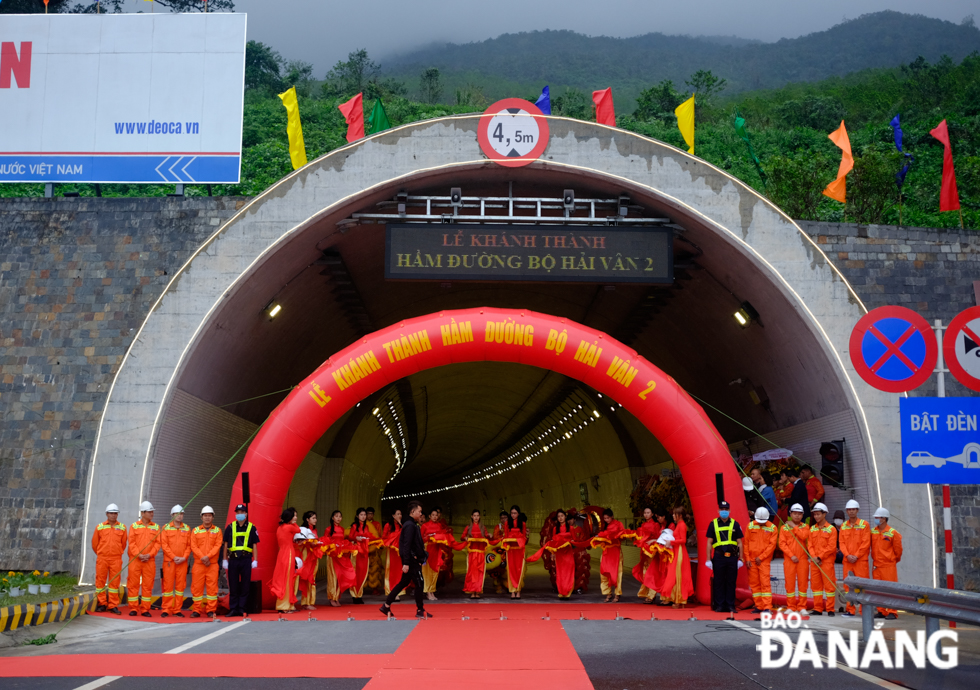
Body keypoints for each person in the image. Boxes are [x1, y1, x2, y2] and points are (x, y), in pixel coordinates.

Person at [380, 500, 432, 620]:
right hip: (412, 561)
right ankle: (420, 610)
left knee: (404, 582)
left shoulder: (411, 524)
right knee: (419, 583)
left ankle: (386, 605)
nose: (420, 514)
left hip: (412, 559)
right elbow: (406, 545)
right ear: (412, 511)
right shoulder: (409, 525)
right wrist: (406, 562)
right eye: (419, 511)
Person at [529, 508, 581, 599]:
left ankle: (567, 592)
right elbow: (553, 541)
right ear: (557, 519)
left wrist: (569, 543)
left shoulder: (571, 528)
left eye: (562, 516)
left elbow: (574, 541)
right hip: (559, 554)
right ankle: (561, 592)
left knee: (568, 573)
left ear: (565, 517)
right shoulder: (554, 529)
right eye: (558, 517)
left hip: (568, 553)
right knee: (560, 573)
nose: (560, 518)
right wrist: (553, 551)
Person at [706, 500, 744, 619]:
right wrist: (708, 559)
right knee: (719, 581)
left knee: (731, 581)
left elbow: (740, 543)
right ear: (718, 511)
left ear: (729, 511)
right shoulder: (713, 524)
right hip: (719, 556)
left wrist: (741, 559)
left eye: (726, 510)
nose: (724, 512)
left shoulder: (735, 524)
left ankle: (730, 605)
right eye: (722, 510)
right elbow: (709, 543)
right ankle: (720, 605)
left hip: (732, 557)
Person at [222, 503, 259, 617]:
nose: (240, 514)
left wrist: (255, 560)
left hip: (246, 559)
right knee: (233, 585)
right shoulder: (230, 527)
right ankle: (233, 609)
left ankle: (242, 608)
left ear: (246, 514)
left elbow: (254, 545)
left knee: (245, 585)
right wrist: (224, 560)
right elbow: (226, 545)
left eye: (242, 512)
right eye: (238, 513)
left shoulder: (251, 527)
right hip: (233, 560)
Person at [92, 503, 127, 614]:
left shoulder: (122, 527)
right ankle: (102, 604)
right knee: (100, 582)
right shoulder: (100, 527)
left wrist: (117, 553)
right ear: (107, 514)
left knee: (114, 583)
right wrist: (101, 553)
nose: (113, 515)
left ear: (117, 515)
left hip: (116, 559)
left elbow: (123, 544)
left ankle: (113, 605)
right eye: (111, 513)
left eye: (115, 513)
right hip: (102, 558)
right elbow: (94, 544)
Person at [127, 501, 160, 617]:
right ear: (143, 513)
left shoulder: (156, 527)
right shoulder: (134, 526)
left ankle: (145, 609)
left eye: (152, 512)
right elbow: (131, 543)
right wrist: (138, 555)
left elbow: (157, 544)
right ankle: (134, 608)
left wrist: (150, 555)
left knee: (147, 585)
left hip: (149, 561)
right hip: (136, 560)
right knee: (133, 584)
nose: (152, 514)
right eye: (149, 512)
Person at [190, 505, 223, 618]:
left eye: (209, 515)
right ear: (201, 517)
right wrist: (203, 558)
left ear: (213, 517)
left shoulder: (217, 531)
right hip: (199, 564)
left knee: (212, 589)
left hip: (212, 564)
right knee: (197, 588)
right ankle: (196, 610)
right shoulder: (195, 531)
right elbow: (193, 546)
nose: (207, 518)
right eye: (205, 516)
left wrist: (207, 557)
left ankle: (211, 610)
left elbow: (218, 545)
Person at [840, 499, 871, 617]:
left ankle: (864, 611)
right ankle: (850, 610)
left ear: (857, 510)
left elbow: (865, 542)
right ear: (847, 511)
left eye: (853, 509)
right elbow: (841, 543)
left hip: (860, 561)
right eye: (849, 510)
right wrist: (847, 555)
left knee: (862, 585)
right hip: (848, 561)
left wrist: (856, 555)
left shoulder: (864, 524)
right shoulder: (844, 525)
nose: (851, 512)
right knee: (848, 586)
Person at [871, 507, 903, 620]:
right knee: (878, 589)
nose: (875, 519)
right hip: (876, 565)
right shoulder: (873, 531)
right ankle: (881, 610)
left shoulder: (893, 533)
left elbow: (898, 551)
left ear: (884, 519)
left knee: (890, 589)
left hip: (888, 565)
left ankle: (892, 611)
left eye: (877, 517)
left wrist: (892, 560)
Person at [659, 505, 694, 607]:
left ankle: (679, 600)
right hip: (677, 550)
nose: (673, 515)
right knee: (676, 575)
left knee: (678, 575)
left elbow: (683, 540)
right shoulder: (679, 524)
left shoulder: (682, 525)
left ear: (680, 515)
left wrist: (671, 542)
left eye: (675, 514)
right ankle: (678, 599)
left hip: (680, 552)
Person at [744, 507, 777, 614]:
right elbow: (746, 543)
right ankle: (759, 606)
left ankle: (767, 607)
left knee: (765, 583)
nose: (761, 523)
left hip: (764, 561)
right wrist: (747, 558)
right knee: (754, 584)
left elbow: (772, 546)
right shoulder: (750, 525)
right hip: (752, 560)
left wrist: (761, 557)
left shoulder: (772, 528)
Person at [160, 505, 191, 618]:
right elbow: (164, 545)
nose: (179, 516)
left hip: (182, 562)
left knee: (180, 587)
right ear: (172, 515)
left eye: (181, 514)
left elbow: (189, 545)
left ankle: (177, 609)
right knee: (168, 586)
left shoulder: (187, 528)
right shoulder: (166, 528)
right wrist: (174, 557)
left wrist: (184, 557)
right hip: (169, 562)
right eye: (177, 514)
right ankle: (166, 609)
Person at [778, 503, 810, 613]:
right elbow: (782, 544)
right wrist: (791, 556)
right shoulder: (783, 528)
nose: (797, 516)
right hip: (789, 559)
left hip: (802, 559)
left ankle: (802, 607)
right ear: (790, 514)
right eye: (794, 513)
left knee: (803, 584)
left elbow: (803, 536)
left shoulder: (805, 527)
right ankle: (791, 606)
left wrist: (794, 526)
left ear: (802, 515)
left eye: (799, 514)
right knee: (789, 584)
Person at [270, 507, 302, 613]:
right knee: (287, 579)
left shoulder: (280, 527)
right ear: (289, 517)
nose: (296, 518)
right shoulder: (289, 527)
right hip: (288, 554)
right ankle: (285, 606)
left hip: (282, 554)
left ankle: (286, 605)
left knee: (283, 579)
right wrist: (294, 522)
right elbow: (298, 530)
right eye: (295, 515)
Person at [322, 510, 356, 607]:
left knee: (339, 576)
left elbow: (344, 541)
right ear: (332, 518)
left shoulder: (342, 529)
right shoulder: (328, 529)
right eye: (336, 516)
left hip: (340, 556)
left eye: (340, 516)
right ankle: (332, 598)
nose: (338, 518)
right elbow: (325, 541)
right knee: (332, 577)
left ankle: (337, 597)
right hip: (332, 556)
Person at [808, 502, 837, 616]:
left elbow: (831, 547)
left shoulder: (831, 529)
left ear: (824, 514)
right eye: (815, 515)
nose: (816, 517)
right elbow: (809, 545)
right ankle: (818, 608)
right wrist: (814, 557)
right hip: (815, 561)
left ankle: (830, 609)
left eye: (818, 514)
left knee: (829, 586)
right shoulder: (812, 529)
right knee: (816, 586)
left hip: (826, 561)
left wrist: (820, 557)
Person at [591, 507, 625, 603]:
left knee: (617, 573)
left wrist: (611, 536)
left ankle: (617, 594)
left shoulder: (619, 524)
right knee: (604, 573)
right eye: (605, 518)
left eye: (608, 518)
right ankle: (608, 593)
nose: (606, 520)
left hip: (615, 551)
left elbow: (622, 536)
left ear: (612, 517)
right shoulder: (605, 526)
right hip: (606, 552)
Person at [455, 509, 492, 598]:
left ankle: (478, 591)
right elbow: (462, 537)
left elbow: (486, 536)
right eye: (474, 516)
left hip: (481, 553)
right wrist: (466, 538)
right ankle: (472, 591)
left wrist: (489, 535)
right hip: (472, 553)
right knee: (472, 572)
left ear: (479, 517)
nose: (476, 517)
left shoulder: (483, 527)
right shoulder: (468, 527)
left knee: (480, 572)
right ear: (472, 516)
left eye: (477, 516)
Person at [631, 507, 663, 602]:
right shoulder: (643, 524)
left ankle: (651, 595)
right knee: (645, 572)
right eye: (645, 513)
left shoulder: (656, 525)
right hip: (645, 552)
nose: (646, 514)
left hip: (652, 552)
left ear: (652, 514)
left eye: (648, 513)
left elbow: (658, 538)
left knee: (652, 572)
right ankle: (647, 594)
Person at [420, 507, 453, 600]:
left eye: (436, 515)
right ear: (429, 516)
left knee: (435, 572)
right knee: (427, 573)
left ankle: (432, 591)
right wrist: (428, 538)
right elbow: (420, 539)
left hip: (437, 550)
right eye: (433, 515)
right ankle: (428, 592)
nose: (434, 517)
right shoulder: (425, 526)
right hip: (428, 550)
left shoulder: (439, 526)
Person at [294, 511, 322, 611]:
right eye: (313, 518)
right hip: (307, 555)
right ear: (307, 519)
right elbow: (299, 542)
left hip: (314, 555)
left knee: (312, 578)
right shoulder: (303, 529)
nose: (315, 520)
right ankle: (306, 602)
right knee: (306, 577)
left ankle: (310, 601)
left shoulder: (314, 530)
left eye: (315, 518)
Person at [501, 504, 528, 599]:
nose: (513, 515)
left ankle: (518, 590)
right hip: (511, 551)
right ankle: (512, 590)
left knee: (519, 570)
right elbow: (505, 536)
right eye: (512, 513)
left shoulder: (523, 524)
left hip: (519, 550)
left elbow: (524, 537)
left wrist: (519, 540)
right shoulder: (507, 524)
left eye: (515, 513)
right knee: (511, 570)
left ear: (518, 514)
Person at [348, 508, 374, 604]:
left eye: (364, 515)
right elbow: (350, 536)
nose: (363, 516)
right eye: (361, 514)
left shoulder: (366, 526)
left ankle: (359, 594)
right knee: (356, 572)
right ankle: (354, 595)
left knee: (363, 573)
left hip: (364, 552)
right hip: (357, 552)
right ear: (357, 516)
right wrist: (356, 538)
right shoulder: (354, 526)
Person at [382, 509, 404, 598]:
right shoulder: (388, 525)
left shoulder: (402, 525)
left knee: (399, 571)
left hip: (400, 551)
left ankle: (398, 591)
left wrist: (401, 523)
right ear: (393, 515)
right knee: (391, 571)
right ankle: (391, 591)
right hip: (391, 551)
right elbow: (384, 537)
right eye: (398, 514)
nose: (400, 515)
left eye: (400, 514)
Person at [365, 507, 384, 595]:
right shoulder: (362, 524)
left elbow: (379, 535)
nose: (370, 515)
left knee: (375, 569)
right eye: (368, 514)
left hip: (374, 549)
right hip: (364, 549)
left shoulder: (377, 524)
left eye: (371, 514)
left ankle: (375, 588)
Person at [489, 511, 509, 594]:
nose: (503, 519)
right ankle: (498, 585)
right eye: (502, 518)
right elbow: (495, 537)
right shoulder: (498, 527)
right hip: (499, 551)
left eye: (505, 518)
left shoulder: (511, 526)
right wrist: (501, 536)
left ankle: (508, 585)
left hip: (508, 550)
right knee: (497, 568)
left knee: (507, 570)